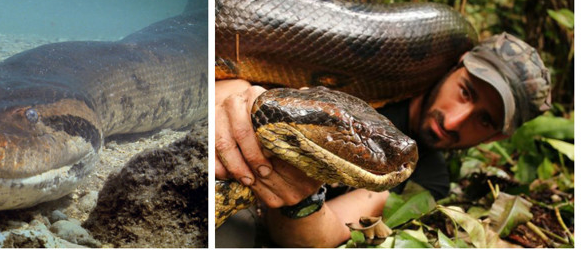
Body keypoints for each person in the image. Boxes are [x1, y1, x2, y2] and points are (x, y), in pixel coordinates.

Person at [215, 32, 551, 248]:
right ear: (457, 65)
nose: (453, 120)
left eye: (484, 119)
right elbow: (233, 78)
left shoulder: (426, 178)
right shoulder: (363, 69)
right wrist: (240, 101)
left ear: (498, 136)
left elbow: (323, 235)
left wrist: (300, 198)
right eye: (466, 91)